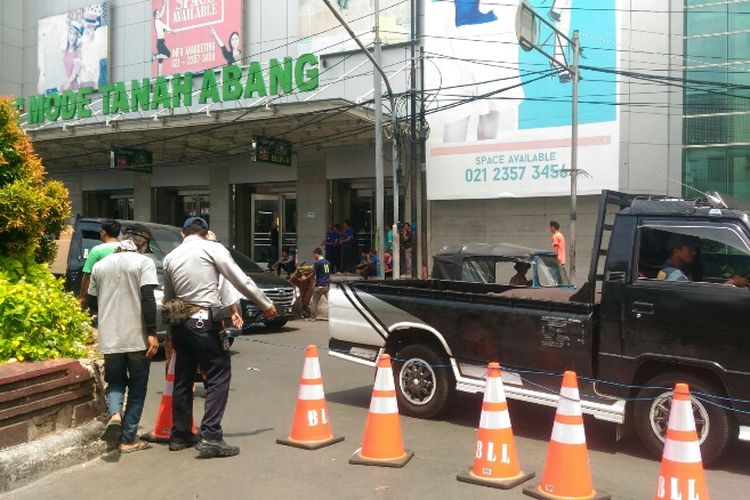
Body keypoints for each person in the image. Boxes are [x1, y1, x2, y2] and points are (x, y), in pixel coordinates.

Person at [163, 217, 277, 458]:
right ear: (205, 233)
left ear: (184, 234)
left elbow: (169, 297)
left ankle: (180, 434)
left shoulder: (171, 256)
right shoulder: (213, 248)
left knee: (183, 379)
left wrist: (171, 332)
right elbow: (239, 279)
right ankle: (211, 435)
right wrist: (265, 303)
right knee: (218, 376)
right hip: (204, 322)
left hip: (180, 324)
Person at [87, 224, 159, 454]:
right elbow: (148, 299)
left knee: (116, 381)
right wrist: (151, 333)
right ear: (143, 244)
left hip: (110, 338)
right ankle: (127, 440)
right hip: (137, 337)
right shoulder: (144, 263)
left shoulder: (99, 266)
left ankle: (115, 413)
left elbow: (91, 302)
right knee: (137, 388)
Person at [657, 234, 748, 286]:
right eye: (690, 249)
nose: (694, 253)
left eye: (695, 249)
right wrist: (730, 284)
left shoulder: (683, 270)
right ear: (676, 251)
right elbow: (694, 297)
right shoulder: (673, 274)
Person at [79, 218, 121, 308]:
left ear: (103, 232)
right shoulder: (125, 248)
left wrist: (82, 297)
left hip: (98, 296)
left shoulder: (97, 250)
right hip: (120, 296)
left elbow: (87, 275)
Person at [307, 248, 330, 321]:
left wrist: (305, 278)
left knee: (314, 303)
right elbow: (326, 273)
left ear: (316, 254)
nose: (314, 256)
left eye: (314, 254)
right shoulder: (327, 262)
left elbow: (313, 274)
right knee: (330, 303)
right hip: (326, 285)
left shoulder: (317, 263)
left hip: (319, 285)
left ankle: (313, 317)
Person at [60, 21, 83, 91]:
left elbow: (75, 72)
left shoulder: (78, 52)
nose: (72, 37)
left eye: (74, 34)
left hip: (72, 87)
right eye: (70, 33)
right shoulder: (63, 52)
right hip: (63, 86)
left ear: (77, 37)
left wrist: (68, 82)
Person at [153, 0, 174, 77]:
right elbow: (165, 27)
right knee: (167, 54)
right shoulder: (158, 21)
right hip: (160, 43)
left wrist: (165, 2)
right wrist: (172, 31)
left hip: (159, 42)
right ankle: (156, 56)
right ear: (155, 16)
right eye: (157, 13)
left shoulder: (158, 20)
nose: (159, 14)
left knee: (160, 61)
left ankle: (159, 76)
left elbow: (162, 12)